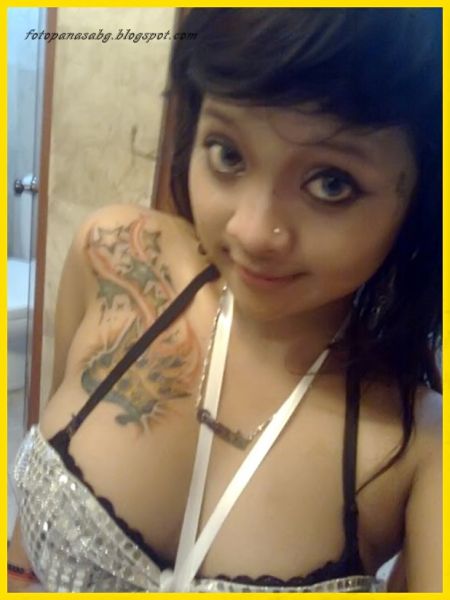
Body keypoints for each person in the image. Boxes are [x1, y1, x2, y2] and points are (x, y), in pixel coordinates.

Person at [8, 8, 442, 593]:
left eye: (331, 183)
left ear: (420, 198)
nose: (253, 232)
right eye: (228, 154)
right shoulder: (113, 257)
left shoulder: (420, 450)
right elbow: (27, 541)